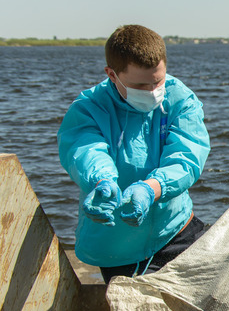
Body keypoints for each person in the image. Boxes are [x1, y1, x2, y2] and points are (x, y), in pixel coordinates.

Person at [58, 24, 209, 283]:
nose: (152, 91)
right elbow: (85, 150)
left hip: (175, 227)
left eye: (158, 80)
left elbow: (187, 157)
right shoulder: (88, 108)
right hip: (117, 245)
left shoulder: (180, 99)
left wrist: (152, 188)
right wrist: (102, 181)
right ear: (112, 75)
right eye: (140, 84)